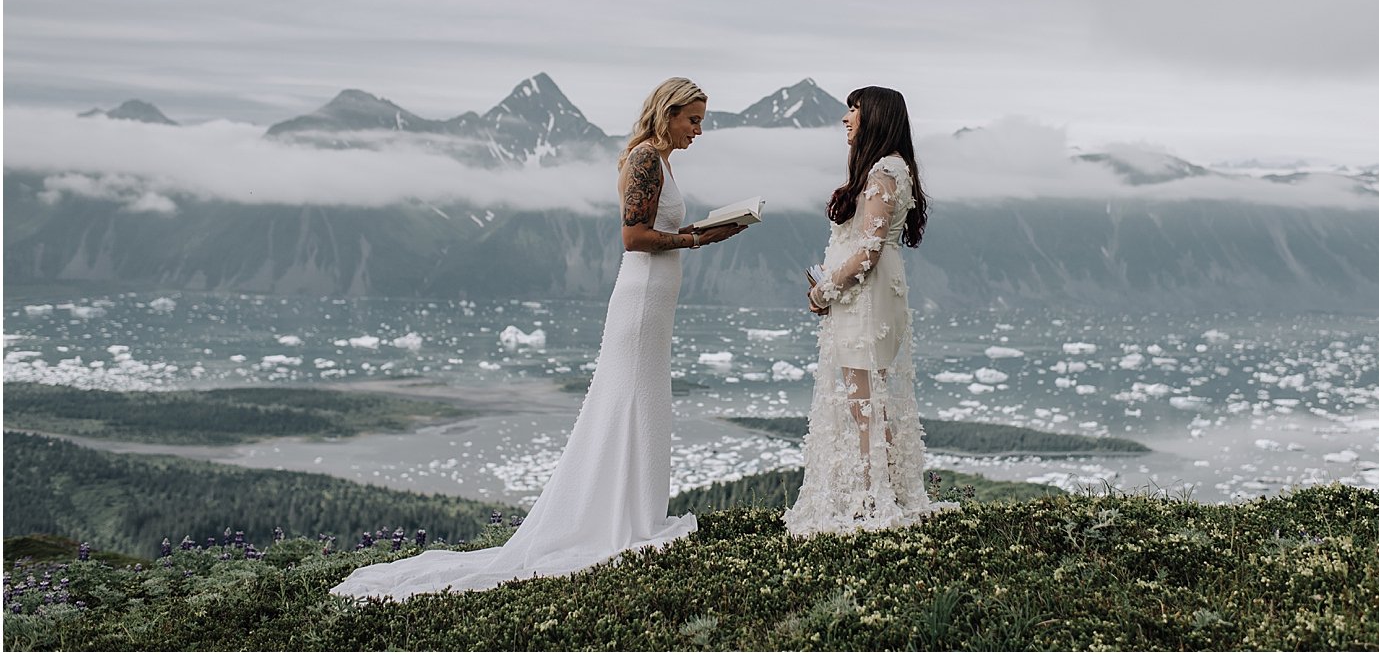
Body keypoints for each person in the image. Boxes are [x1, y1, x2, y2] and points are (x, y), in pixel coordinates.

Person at [331, 77, 746, 600]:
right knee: (631, 401)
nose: (699, 130)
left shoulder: (660, 160)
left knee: (646, 403)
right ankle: (620, 520)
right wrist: (697, 238)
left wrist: (702, 235)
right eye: (694, 120)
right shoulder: (643, 158)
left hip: (656, 297)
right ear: (668, 113)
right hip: (641, 297)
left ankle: (635, 513)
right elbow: (633, 236)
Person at [783, 85, 948, 535]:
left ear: (875, 117)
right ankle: (883, 491)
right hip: (875, 297)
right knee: (868, 404)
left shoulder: (882, 172)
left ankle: (876, 500)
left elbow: (868, 250)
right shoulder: (896, 168)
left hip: (866, 299)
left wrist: (824, 291)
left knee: (863, 406)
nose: (846, 118)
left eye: (854, 110)